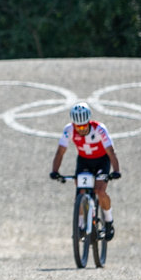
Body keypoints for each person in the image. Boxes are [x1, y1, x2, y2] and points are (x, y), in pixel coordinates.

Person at [50, 102, 122, 240]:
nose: (81, 129)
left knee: (100, 191)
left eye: (84, 126)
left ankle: (108, 221)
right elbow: (60, 152)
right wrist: (55, 171)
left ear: (89, 122)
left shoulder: (100, 129)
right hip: (84, 161)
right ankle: (81, 226)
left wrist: (116, 170)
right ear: (73, 124)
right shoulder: (68, 130)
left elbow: (111, 152)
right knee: (81, 191)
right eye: (78, 126)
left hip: (102, 160)